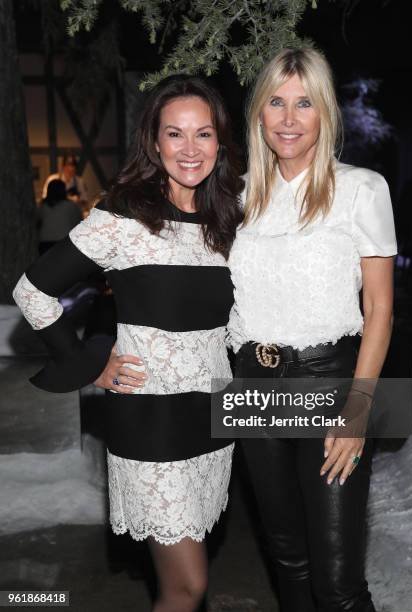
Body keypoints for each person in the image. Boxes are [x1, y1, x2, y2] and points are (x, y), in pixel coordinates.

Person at [13, 75, 243, 612]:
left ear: (219, 142)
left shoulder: (227, 220)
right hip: (151, 422)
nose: (190, 149)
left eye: (203, 134)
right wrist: (88, 364)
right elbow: (33, 290)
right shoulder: (124, 218)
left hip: (213, 415)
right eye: (175, 134)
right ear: (154, 142)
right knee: (188, 586)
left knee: (185, 581)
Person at [226, 46, 397, 611]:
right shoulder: (238, 195)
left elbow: (379, 309)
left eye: (305, 103)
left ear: (324, 112)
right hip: (252, 388)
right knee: (289, 564)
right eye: (276, 102)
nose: (290, 118)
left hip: (328, 388)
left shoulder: (361, 189)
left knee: (338, 584)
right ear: (259, 113)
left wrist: (359, 408)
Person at [38, 179, 82, 254]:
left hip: (44, 243)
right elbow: (79, 223)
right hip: (65, 242)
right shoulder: (71, 206)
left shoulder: (42, 206)